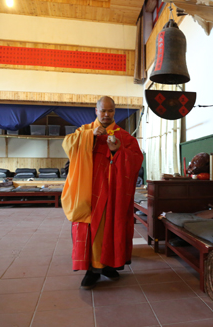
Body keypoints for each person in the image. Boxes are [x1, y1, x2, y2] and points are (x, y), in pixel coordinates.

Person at [61, 96, 143, 289]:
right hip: (90, 192)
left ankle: (109, 266)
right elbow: (68, 144)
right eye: (103, 111)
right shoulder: (85, 131)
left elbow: (136, 159)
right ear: (96, 111)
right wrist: (91, 136)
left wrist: (117, 151)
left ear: (115, 112)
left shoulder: (124, 136)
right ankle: (92, 270)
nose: (107, 115)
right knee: (91, 229)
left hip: (114, 193)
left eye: (111, 111)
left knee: (111, 227)